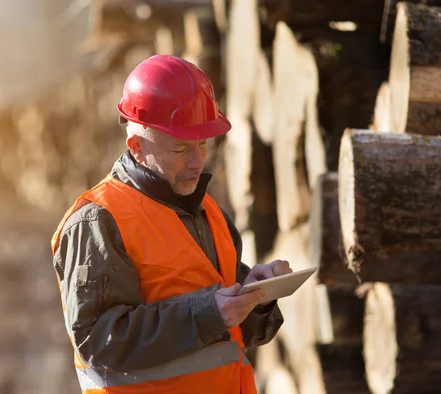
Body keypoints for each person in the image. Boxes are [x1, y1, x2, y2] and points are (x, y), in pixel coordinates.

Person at [50, 54, 292, 394]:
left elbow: (231, 332)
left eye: (203, 144)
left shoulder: (209, 212)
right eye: (180, 149)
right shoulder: (98, 221)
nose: (197, 162)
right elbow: (98, 341)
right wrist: (208, 314)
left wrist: (256, 297)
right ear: (136, 147)